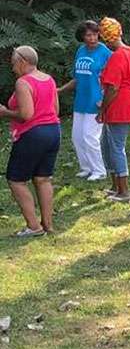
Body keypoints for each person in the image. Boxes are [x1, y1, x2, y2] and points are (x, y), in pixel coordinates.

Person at [0, 46, 61, 236]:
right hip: (53, 131)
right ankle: (48, 224)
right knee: (43, 179)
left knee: (16, 180)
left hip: (33, 134)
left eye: (13, 63)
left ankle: (33, 227)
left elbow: (26, 114)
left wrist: (5, 112)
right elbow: (56, 110)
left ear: (23, 61)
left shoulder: (23, 83)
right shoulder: (49, 79)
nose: (12, 68)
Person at [98, 17, 130, 203]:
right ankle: (115, 186)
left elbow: (113, 87)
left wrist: (102, 109)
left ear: (106, 39)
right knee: (106, 143)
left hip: (120, 103)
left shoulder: (117, 56)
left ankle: (124, 191)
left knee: (116, 146)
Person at [57, 20, 112, 182]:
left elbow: (112, 80)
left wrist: (104, 98)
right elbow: (77, 78)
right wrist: (59, 90)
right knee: (77, 137)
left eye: (95, 34)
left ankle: (99, 170)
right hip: (81, 100)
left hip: (96, 101)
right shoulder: (80, 51)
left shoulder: (105, 53)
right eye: (89, 35)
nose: (93, 38)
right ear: (82, 36)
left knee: (90, 137)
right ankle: (86, 167)